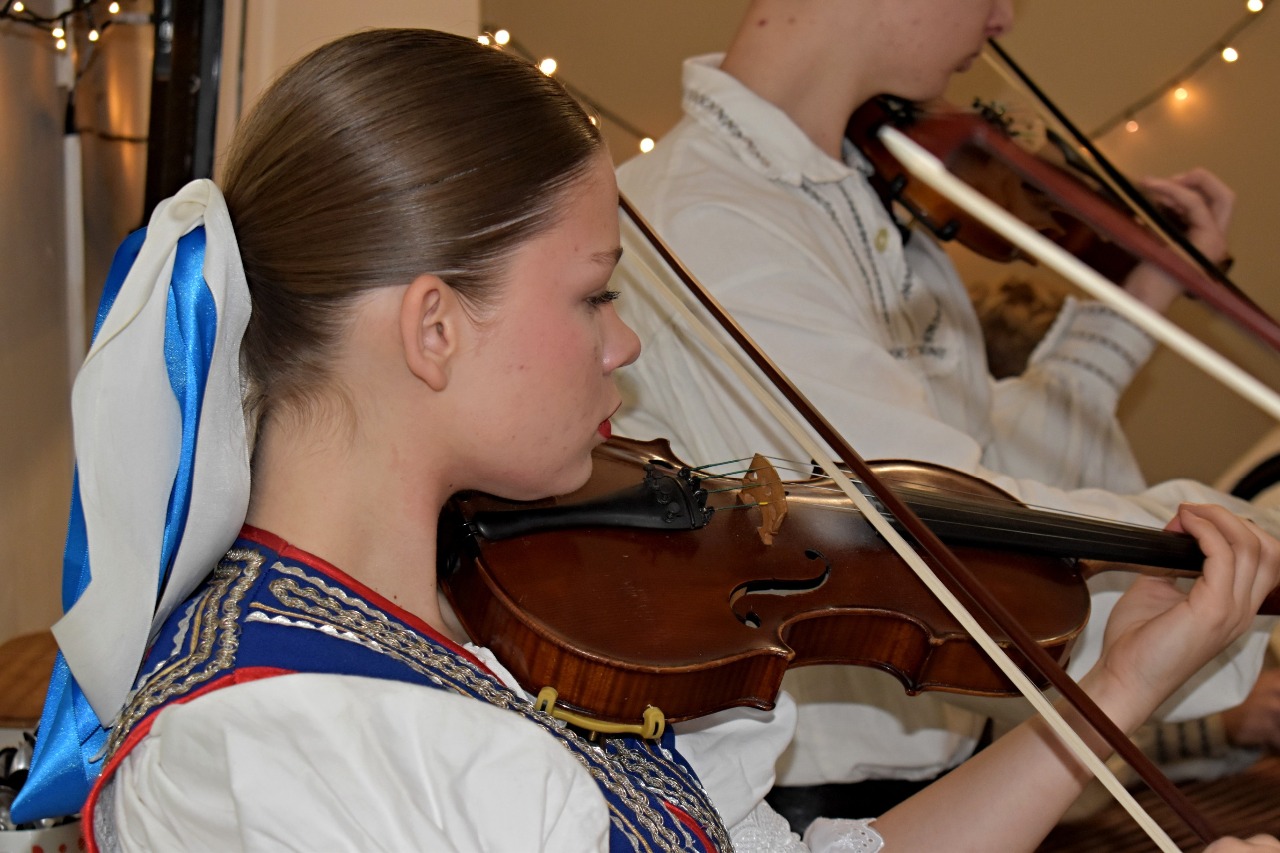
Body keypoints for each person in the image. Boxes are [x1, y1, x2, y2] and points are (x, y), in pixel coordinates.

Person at [12, 26, 1280, 853]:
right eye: (593, 294)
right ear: (434, 329)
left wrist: (1117, 685)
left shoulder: (484, 630)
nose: (624, 344)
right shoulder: (280, 749)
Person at [610, 0, 1280, 826]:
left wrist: (1133, 305)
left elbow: (990, 464)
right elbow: (938, 523)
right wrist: (1243, 537)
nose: (1003, 18)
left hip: (948, 783)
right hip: (816, 813)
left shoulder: (882, 201)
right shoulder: (710, 218)